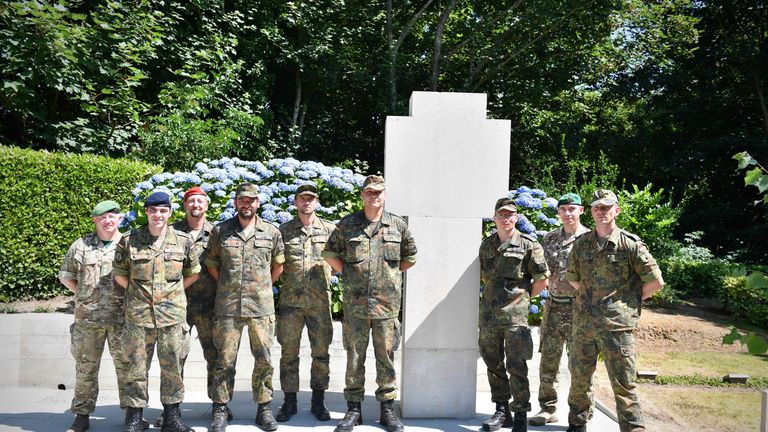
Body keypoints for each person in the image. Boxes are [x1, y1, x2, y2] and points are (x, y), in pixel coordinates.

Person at [322, 175, 417, 432]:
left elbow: (409, 258)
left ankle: (387, 410)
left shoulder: (398, 225)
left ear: (384, 195)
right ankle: (354, 410)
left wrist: (391, 277)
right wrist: (349, 274)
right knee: (354, 358)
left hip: (386, 307)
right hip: (356, 306)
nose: (374, 196)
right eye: (369, 192)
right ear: (362, 195)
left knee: (385, 357)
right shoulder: (348, 224)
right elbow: (330, 253)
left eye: (378, 192)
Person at [565, 189, 664, 432]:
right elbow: (573, 278)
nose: (602, 212)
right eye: (597, 208)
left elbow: (656, 282)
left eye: (606, 207)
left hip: (616, 327)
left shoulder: (629, 245)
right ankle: (577, 423)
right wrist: (591, 300)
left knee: (624, 383)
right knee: (579, 378)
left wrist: (625, 302)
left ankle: (632, 428)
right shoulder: (581, 245)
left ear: (616, 211)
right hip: (584, 326)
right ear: (591, 212)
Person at [113, 191, 201, 432]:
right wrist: (138, 293)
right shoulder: (131, 240)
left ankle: (172, 418)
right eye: (153, 210)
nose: (158, 215)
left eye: (163, 210)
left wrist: (171, 294)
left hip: (171, 318)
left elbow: (193, 273)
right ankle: (134, 419)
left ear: (170, 212)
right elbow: (120, 274)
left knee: (172, 367)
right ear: (147, 212)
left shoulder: (182, 240)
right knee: (136, 368)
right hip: (138, 317)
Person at [206, 182, 285, 432]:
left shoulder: (271, 232)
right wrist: (227, 285)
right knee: (224, 360)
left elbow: (279, 265)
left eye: (251, 200)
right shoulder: (221, 231)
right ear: (235, 203)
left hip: (261, 308)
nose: (246, 204)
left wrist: (262, 287)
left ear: (257, 203)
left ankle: (264, 409)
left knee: (264, 360)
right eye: (242, 200)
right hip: (228, 308)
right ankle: (220, 409)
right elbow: (211, 264)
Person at [478, 198, 549, 432]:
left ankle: (520, 413)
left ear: (516, 218)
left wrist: (523, 300)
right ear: (495, 217)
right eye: (502, 214)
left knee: (517, 365)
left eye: (510, 215)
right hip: (489, 317)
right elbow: (485, 278)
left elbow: (541, 279)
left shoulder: (529, 245)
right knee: (493, 364)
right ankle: (501, 411)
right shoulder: (487, 245)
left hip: (515, 318)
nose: (506, 219)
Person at [60, 201, 130, 432]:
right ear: (94, 220)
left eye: (112, 216)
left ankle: (132, 414)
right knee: (85, 368)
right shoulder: (80, 245)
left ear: (120, 218)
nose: (108, 220)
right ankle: (81, 415)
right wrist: (84, 295)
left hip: (123, 319)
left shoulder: (129, 243)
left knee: (128, 368)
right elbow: (66, 276)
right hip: (88, 320)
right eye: (102, 217)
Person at [166, 186, 233, 425]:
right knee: (174, 358)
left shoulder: (217, 232)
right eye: (191, 201)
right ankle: (171, 409)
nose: (195, 205)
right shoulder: (170, 231)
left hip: (210, 306)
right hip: (177, 306)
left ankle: (219, 406)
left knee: (215, 357)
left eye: (200, 202)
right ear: (185, 205)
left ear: (206, 205)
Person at [275, 184, 336, 422]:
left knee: (321, 354)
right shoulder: (283, 231)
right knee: (288, 355)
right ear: (295, 202)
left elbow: (342, 261)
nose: (307, 203)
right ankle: (289, 403)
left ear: (317, 202)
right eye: (302, 199)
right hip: (291, 304)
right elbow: (276, 264)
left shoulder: (330, 230)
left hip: (320, 303)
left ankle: (318, 402)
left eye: (311, 199)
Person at [530, 193, 590, 426]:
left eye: (572, 209)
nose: (568, 213)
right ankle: (547, 408)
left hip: (579, 310)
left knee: (580, 365)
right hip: (553, 307)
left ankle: (581, 414)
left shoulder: (589, 238)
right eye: (563, 209)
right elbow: (541, 271)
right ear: (558, 213)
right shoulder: (550, 238)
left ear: (581, 211)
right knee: (549, 362)